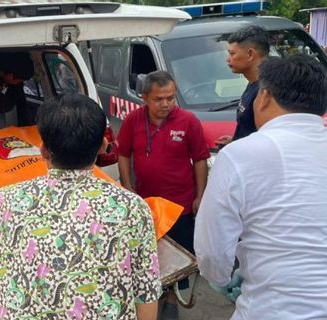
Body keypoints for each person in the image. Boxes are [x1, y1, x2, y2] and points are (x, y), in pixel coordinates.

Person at [0, 94, 162, 320]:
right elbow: (146, 292)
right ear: (103, 146)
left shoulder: (4, 201)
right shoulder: (132, 208)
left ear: (42, 150)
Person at [195, 55, 327, 319]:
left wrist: (220, 280)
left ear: (264, 96)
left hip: (271, 309)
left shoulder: (238, 155)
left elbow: (212, 251)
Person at [117, 71, 209, 319]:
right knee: (151, 257)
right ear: (145, 97)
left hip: (179, 206)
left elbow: (200, 159)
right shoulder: (133, 121)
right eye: (159, 99)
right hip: (146, 207)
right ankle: (152, 297)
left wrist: (200, 196)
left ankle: (171, 301)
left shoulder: (188, 121)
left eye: (170, 97)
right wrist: (127, 187)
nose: (166, 104)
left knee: (178, 259)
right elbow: (123, 153)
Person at [216, 25, 269, 146]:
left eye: (232, 54)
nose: (228, 60)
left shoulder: (266, 92)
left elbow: (263, 138)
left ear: (250, 54)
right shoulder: (252, 84)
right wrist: (236, 140)